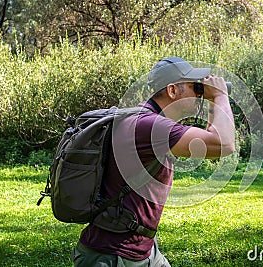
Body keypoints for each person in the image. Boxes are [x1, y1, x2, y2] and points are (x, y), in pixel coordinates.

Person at [71, 56, 235, 267]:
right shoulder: (151, 126)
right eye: (193, 86)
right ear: (172, 91)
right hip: (112, 256)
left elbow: (213, 144)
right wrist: (220, 97)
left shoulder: (148, 121)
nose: (198, 92)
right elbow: (223, 144)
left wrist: (213, 102)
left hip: (143, 251)